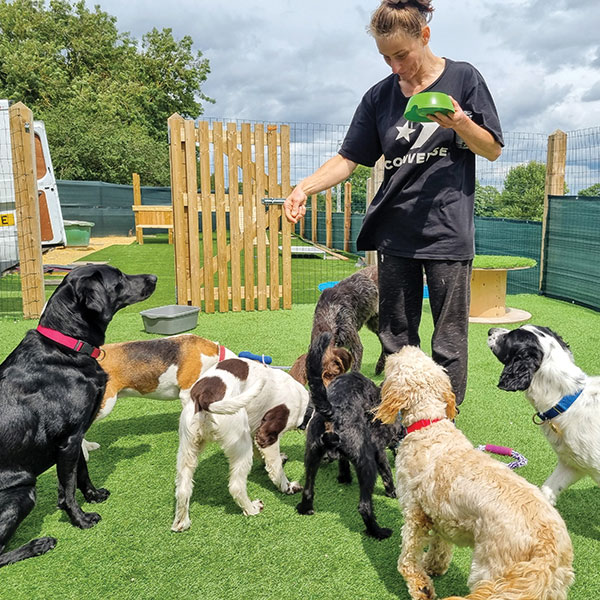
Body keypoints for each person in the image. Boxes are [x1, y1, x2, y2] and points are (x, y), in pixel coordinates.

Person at [284, 0, 503, 406]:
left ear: (425, 35)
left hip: (446, 232)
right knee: (397, 339)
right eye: (385, 57)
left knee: (448, 342)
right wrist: (305, 187)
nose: (395, 66)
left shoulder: (463, 78)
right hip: (395, 233)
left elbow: (490, 149)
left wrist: (461, 123)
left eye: (401, 55)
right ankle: (398, 421)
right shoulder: (380, 97)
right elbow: (349, 158)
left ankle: (441, 425)